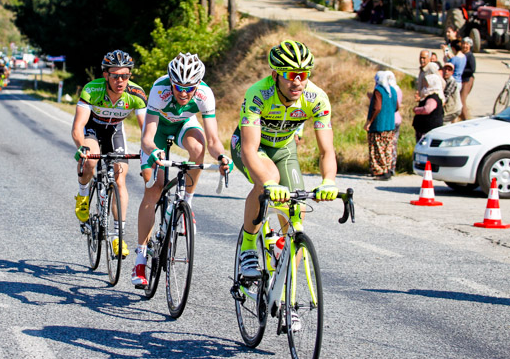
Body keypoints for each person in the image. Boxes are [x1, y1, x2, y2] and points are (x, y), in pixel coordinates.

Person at [231, 40, 338, 283]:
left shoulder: (317, 98)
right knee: (268, 180)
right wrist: (267, 184)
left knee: (296, 208)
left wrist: (329, 181)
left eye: (303, 74)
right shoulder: (258, 93)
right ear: (275, 74)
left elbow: (327, 150)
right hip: (252, 146)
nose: (297, 81)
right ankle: (248, 247)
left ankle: (285, 295)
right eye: (290, 75)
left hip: (285, 149)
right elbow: (249, 149)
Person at [132, 53, 231, 286]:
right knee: (153, 190)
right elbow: (147, 137)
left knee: (199, 147)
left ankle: (187, 201)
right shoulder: (160, 89)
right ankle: (140, 258)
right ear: (171, 82)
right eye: (179, 87)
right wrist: (154, 152)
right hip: (157, 129)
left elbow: (214, 140)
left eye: (190, 88)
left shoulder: (205, 94)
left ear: (198, 85)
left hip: (183, 124)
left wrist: (222, 156)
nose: (184, 93)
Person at [73, 50, 147, 259]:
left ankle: (117, 235)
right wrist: (81, 147)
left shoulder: (136, 94)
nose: (121, 80)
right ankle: (83, 194)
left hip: (115, 132)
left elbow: (146, 131)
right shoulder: (92, 90)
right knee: (90, 161)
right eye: (115, 76)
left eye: (125, 75)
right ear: (106, 75)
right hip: (92, 130)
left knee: (120, 177)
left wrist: (149, 152)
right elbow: (78, 127)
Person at [364, 71, 397, 180]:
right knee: (387, 148)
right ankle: (387, 169)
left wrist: (369, 121)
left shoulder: (379, 91)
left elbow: (377, 107)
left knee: (377, 148)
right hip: (390, 125)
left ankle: (380, 170)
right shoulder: (392, 90)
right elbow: (396, 107)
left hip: (379, 124)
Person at [412, 74, 445, 142]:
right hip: (426, 128)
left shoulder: (433, 97)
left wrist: (416, 110)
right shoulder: (432, 95)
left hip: (428, 128)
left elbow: (427, 109)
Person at [385, 71, 402, 175]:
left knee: (388, 145)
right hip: (396, 119)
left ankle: (388, 168)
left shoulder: (388, 90)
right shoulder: (398, 89)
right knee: (393, 145)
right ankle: (392, 167)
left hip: (390, 120)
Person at [459, 37, 475, 120]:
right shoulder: (462, 54)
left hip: (467, 80)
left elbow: (472, 69)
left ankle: (465, 119)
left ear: (470, 46)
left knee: (462, 100)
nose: (465, 46)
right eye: (463, 43)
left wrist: (461, 70)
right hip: (462, 80)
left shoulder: (470, 56)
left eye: (467, 44)